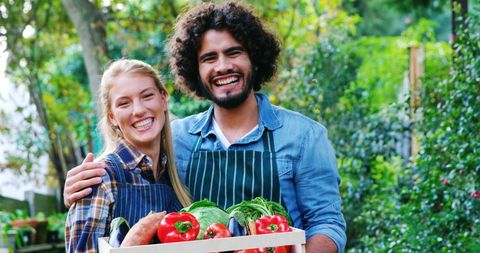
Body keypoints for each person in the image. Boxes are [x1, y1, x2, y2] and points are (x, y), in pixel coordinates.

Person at [64, 2, 346, 253]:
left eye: (234, 52)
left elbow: (327, 223)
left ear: (255, 59)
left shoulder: (305, 136)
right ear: (195, 70)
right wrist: (81, 190)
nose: (222, 66)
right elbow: (131, 166)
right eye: (209, 58)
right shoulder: (178, 138)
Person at [65, 59, 191, 253]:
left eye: (147, 96)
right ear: (112, 117)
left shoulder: (172, 178)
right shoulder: (101, 179)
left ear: (163, 99)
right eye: (124, 103)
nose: (139, 110)